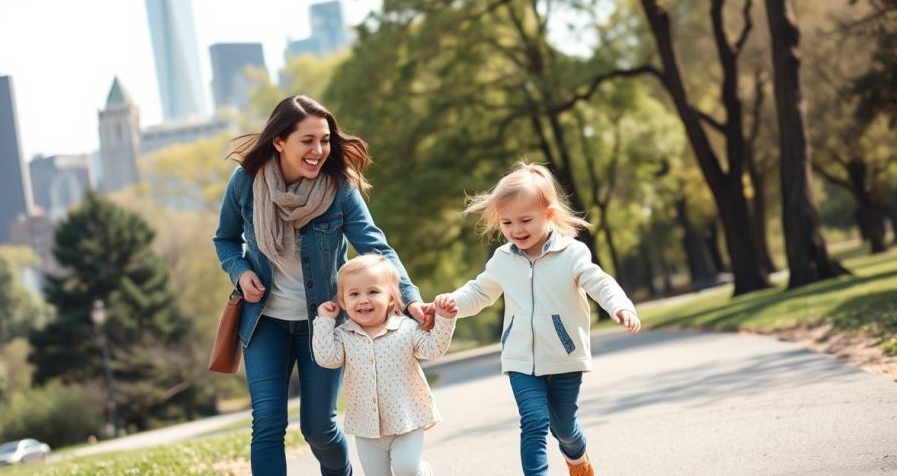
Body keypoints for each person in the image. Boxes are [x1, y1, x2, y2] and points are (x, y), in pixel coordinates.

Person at [213, 95, 434, 476]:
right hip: (265, 321)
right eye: (308, 141)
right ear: (279, 142)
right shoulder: (246, 183)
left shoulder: (339, 189)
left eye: (325, 140)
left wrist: (411, 301)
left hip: (325, 325)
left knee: (318, 427)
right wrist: (239, 271)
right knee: (267, 422)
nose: (319, 150)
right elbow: (226, 239)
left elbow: (376, 247)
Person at [433, 162, 641, 476]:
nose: (516, 230)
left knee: (565, 428)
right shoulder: (503, 259)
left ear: (549, 213)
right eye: (507, 223)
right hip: (519, 358)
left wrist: (620, 306)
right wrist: (453, 303)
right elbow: (479, 292)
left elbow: (600, 282)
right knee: (533, 422)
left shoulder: (572, 253)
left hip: (564, 357)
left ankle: (577, 458)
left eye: (525, 220)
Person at [313, 254, 455, 476]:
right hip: (366, 426)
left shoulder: (405, 329)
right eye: (354, 294)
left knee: (406, 468)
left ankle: (422, 472)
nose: (363, 299)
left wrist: (445, 319)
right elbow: (327, 358)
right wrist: (324, 321)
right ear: (343, 302)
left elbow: (433, 349)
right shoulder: (343, 335)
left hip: (407, 418)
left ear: (390, 298)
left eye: (373, 292)